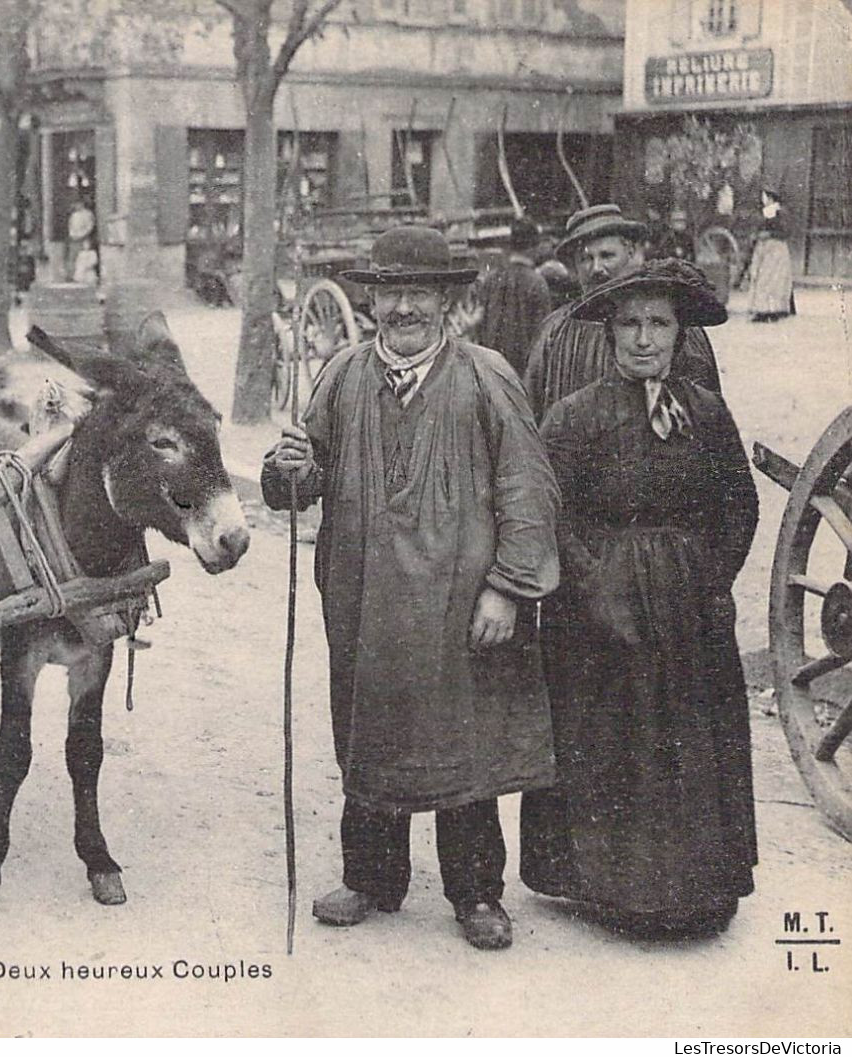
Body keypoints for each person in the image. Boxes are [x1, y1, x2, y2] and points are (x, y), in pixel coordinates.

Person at [259, 226, 560, 952]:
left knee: (465, 742)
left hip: (462, 607)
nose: (401, 308)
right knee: (370, 729)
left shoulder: (486, 376)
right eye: (389, 293)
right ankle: (370, 876)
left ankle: (476, 891)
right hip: (364, 600)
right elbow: (297, 483)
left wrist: (508, 589)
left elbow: (528, 488)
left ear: (446, 302)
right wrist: (289, 465)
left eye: (417, 293)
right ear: (370, 303)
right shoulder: (340, 375)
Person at [519, 259, 759, 937]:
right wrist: (595, 588)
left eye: (658, 322)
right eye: (629, 323)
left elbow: (737, 505)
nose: (643, 338)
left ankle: (696, 889)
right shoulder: (574, 417)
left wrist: (710, 581)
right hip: (599, 610)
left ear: (680, 332)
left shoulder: (705, 414)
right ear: (609, 333)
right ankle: (613, 891)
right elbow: (549, 512)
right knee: (611, 740)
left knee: (686, 740)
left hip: (686, 608)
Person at [523, 204, 722, 424]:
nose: (597, 268)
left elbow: (706, 413)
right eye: (586, 259)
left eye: (607, 255)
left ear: (630, 253)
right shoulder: (554, 330)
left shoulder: (674, 323)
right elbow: (531, 410)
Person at [472, 218, 552, 374]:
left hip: (490, 370)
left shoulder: (492, 279)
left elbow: (479, 327)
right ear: (533, 247)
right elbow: (544, 337)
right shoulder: (537, 283)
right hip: (524, 374)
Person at [747, 188, 795, 323]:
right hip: (764, 248)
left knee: (773, 279)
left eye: (765, 196)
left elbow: (786, 231)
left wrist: (770, 234)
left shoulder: (780, 212)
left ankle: (772, 310)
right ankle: (762, 309)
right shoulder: (764, 213)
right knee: (761, 277)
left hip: (776, 248)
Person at [65, 197, 95, 282]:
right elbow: (70, 226)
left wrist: (82, 235)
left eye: (78, 204)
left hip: (83, 239)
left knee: (83, 258)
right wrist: (73, 234)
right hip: (74, 239)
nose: (76, 206)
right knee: (73, 257)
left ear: (82, 204)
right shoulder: (74, 215)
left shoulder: (88, 214)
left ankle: (83, 277)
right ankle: (72, 276)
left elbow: (90, 226)